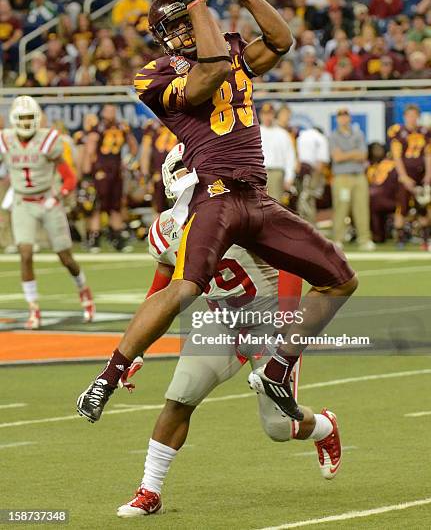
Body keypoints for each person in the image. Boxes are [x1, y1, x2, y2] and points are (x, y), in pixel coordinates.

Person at [77, 0, 357, 424]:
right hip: (216, 194)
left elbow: (282, 40)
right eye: (180, 22)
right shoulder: (153, 75)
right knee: (185, 287)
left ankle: (278, 367)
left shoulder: (226, 48)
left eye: (190, 20)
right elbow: (209, 75)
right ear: (165, 33)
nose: (187, 28)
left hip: (257, 197)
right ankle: (108, 374)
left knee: (340, 278)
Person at [116, 146, 342, 517]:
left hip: (268, 319)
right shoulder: (165, 231)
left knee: (277, 426)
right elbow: (162, 293)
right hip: (219, 320)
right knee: (180, 397)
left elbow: (291, 267)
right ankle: (149, 490)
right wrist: (135, 349)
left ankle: (321, 427)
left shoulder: (242, 210)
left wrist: (286, 328)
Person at [0, 96, 95, 328]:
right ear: (13, 119)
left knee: (65, 257)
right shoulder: (5, 139)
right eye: (21, 118)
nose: (25, 122)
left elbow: (69, 176)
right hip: (23, 201)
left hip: (47, 199)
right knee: (25, 252)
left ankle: (83, 290)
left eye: (29, 117)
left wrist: (59, 195)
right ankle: (34, 308)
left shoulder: (48, 140)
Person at [82, 104, 138, 252]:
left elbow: (133, 146)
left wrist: (127, 161)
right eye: (108, 110)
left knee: (116, 206)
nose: (111, 113)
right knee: (97, 205)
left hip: (116, 171)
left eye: (113, 110)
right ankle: (94, 238)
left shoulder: (122, 127)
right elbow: (90, 149)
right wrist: (88, 172)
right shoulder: (98, 128)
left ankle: (117, 238)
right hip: (100, 171)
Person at [329, 109, 375, 250]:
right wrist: (354, 153)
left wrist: (346, 154)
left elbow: (363, 155)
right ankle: (338, 239)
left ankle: (364, 239)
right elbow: (337, 157)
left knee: (362, 208)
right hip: (342, 178)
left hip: (359, 176)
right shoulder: (333, 136)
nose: (343, 119)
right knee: (341, 208)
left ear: (349, 118)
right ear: (337, 119)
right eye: (341, 117)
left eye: (345, 116)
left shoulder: (358, 134)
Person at [388, 105, 431, 249]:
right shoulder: (398, 132)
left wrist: (428, 175)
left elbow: (428, 155)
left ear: (418, 116)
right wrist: (404, 177)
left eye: (414, 115)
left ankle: (426, 239)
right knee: (402, 207)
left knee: (423, 206)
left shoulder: (424, 132)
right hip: (406, 174)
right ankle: (400, 239)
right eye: (409, 115)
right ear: (405, 116)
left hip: (421, 174)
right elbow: (397, 157)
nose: (412, 118)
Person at [259, 102, 296, 200]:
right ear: (260, 115)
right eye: (264, 114)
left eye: (269, 114)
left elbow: (290, 156)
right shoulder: (255, 132)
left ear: (273, 115)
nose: (267, 117)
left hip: (277, 173)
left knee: (275, 204)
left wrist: (289, 177)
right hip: (259, 172)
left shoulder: (282, 133)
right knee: (258, 206)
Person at [296, 125, 330, 224]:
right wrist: (316, 177)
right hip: (311, 171)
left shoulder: (301, 136)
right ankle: (309, 226)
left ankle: (302, 225)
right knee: (308, 199)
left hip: (301, 171)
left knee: (302, 198)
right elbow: (322, 160)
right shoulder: (320, 138)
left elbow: (297, 157)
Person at [367, 142, 398, 244]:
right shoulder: (369, 167)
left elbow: (384, 185)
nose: (377, 152)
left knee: (374, 203)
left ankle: (378, 234)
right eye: (375, 149)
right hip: (377, 198)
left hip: (391, 197)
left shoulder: (388, 164)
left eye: (379, 149)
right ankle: (376, 234)